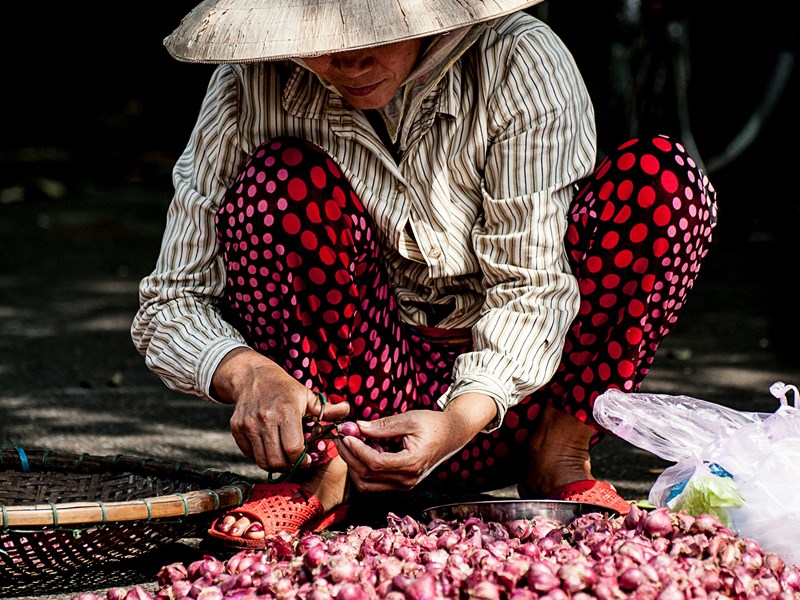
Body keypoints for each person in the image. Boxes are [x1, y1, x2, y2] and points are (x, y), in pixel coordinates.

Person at [132, 0, 718, 547]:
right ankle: (322, 472)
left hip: (522, 402)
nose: (350, 61)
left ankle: (560, 456)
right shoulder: (248, 84)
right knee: (279, 185)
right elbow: (170, 301)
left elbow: (533, 287)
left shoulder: (519, 59)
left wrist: (461, 415)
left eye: (377, 36)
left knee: (663, 181)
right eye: (323, 42)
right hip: (357, 412)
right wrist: (248, 373)